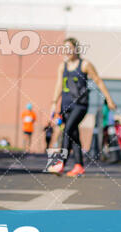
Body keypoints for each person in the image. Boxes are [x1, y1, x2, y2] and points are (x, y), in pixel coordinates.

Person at [47, 37, 116, 177]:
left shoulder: (85, 65)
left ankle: (61, 163)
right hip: (66, 105)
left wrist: (109, 99)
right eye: (65, 48)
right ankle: (79, 166)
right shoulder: (62, 66)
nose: (67, 51)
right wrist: (54, 103)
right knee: (73, 134)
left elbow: (98, 81)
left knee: (67, 130)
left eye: (70, 48)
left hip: (80, 105)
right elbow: (59, 85)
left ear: (76, 49)